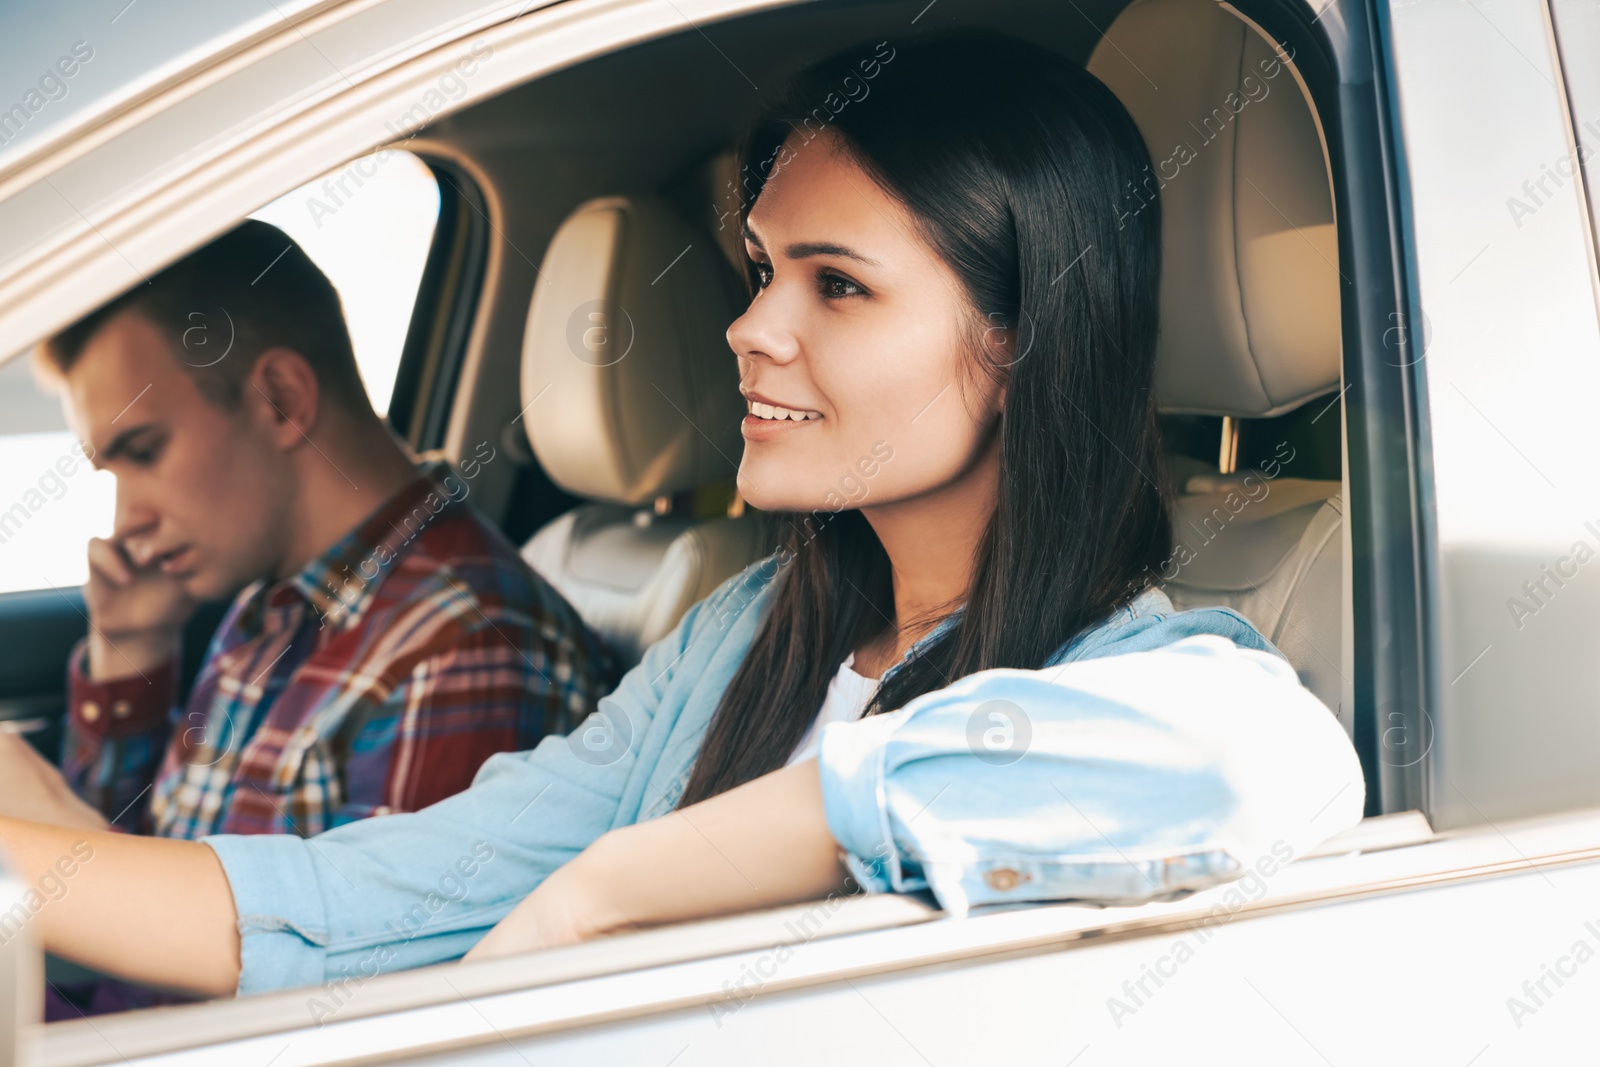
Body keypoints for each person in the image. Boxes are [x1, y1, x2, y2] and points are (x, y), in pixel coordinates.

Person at [0, 32, 1364, 1006]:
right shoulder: (741, 634)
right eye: (765, 268)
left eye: (837, 287)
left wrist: (620, 888)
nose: (749, 326)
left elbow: (1270, 759)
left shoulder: (1135, 674)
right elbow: (369, 897)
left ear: (1023, 343)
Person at [0, 222, 617, 1015]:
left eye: (144, 452)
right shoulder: (271, 605)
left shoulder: (457, 648)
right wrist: (130, 649)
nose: (126, 521)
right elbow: (153, 847)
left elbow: (349, 1012)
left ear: (281, 400)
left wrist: (49, 836)